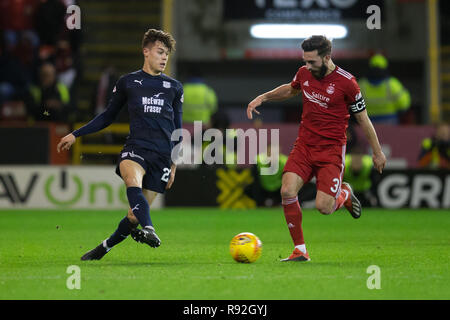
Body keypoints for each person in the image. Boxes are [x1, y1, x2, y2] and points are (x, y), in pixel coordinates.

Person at [247, 35, 386, 262]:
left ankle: (344, 194)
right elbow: (291, 89)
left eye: (312, 62)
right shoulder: (304, 73)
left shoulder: (347, 82)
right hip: (304, 146)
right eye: (305, 61)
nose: (307, 66)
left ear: (327, 57)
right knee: (287, 191)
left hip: (331, 151)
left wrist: (377, 152)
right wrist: (263, 97)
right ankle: (300, 250)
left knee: (324, 207)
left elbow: (363, 119)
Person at [57, 29, 183, 260]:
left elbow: (178, 128)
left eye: (167, 54)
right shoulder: (128, 82)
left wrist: (174, 164)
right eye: (160, 52)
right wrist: (76, 134)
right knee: (131, 180)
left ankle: (103, 248)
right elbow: (107, 116)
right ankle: (150, 229)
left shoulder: (174, 87)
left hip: (162, 155)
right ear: (146, 52)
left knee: (134, 216)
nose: (164, 58)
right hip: (136, 147)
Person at [358, 54, 411, 124]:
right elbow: (404, 104)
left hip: (368, 121)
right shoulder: (393, 84)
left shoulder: (361, 84)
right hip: (390, 120)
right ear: (385, 67)